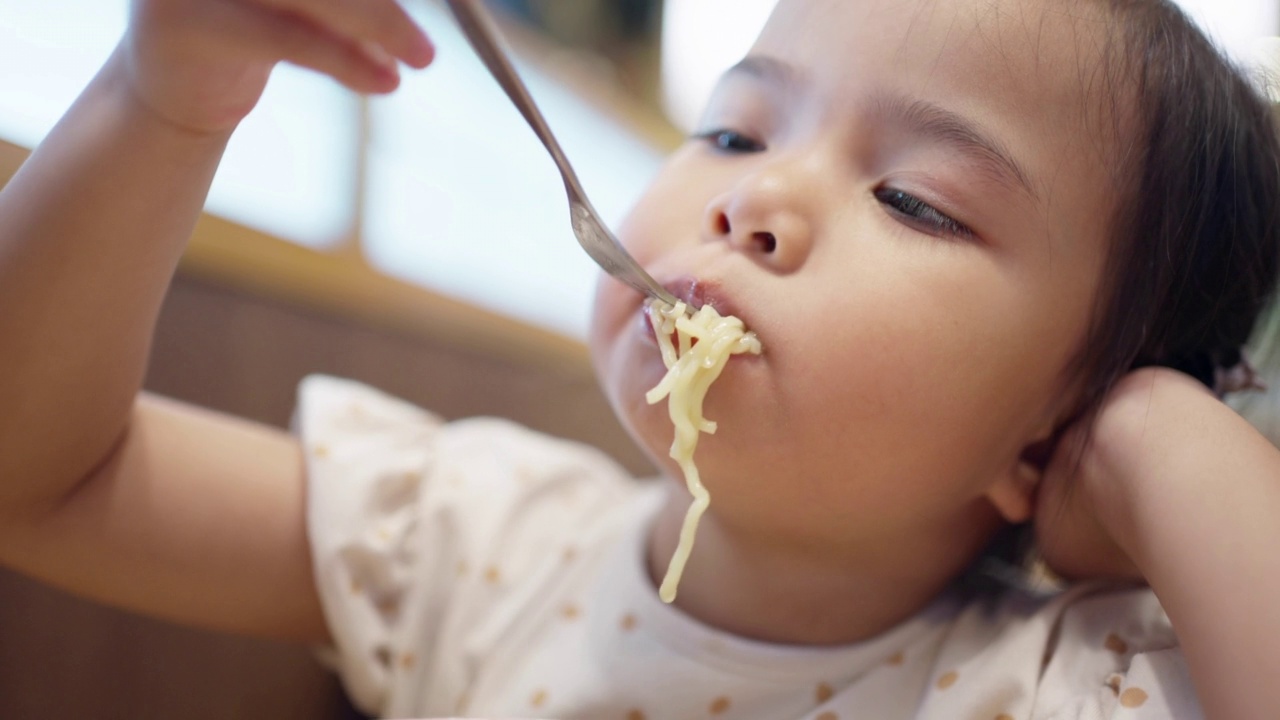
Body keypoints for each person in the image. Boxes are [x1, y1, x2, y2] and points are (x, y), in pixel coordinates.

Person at [1, 0, 1277, 717]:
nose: (755, 196)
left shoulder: (1071, 687)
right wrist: (160, 102)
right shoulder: (467, 538)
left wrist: (1143, 435)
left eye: (916, 201)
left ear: (1049, 428)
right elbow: (42, 479)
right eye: (731, 130)